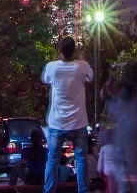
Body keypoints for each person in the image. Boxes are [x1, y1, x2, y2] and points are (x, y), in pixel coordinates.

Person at [42, 36, 93, 193]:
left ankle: (49, 191)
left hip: (57, 122)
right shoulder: (82, 66)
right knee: (81, 160)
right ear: (75, 50)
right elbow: (90, 77)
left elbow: (45, 79)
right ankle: (83, 190)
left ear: (60, 51)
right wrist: (82, 57)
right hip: (78, 122)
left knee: (52, 160)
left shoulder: (52, 67)